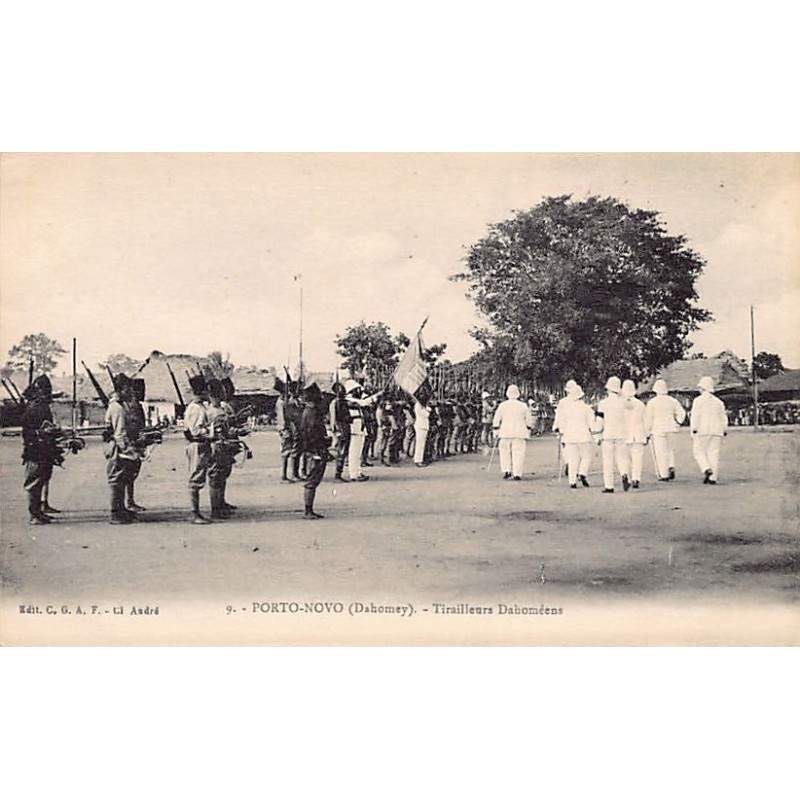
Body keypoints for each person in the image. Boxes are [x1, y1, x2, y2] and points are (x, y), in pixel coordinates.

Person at [21, 376, 61, 525]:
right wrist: (44, 432)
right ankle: (34, 514)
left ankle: (39, 511)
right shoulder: (33, 409)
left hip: (45, 449)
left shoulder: (42, 407)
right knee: (34, 483)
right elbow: (30, 431)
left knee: (42, 479)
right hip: (35, 449)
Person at [104, 373, 141, 524]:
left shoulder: (118, 405)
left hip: (119, 446)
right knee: (117, 480)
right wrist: (130, 451)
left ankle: (121, 509)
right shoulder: (117, 408)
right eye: (128, 389)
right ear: (122, 389)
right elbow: (119, 434)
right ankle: (115, 513)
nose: (130, 392)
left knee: (123, 478)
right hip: (118, 448)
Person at [552, 380, 594, 488]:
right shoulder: (586, 407)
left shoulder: (565, 406)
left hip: (569, 435)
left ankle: (572, 481)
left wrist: (558, 429)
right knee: (586, 456)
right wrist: (595, 432)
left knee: (572, 458)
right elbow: (592, 423)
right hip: (584, 435)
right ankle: (582, 473)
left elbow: (560, 419)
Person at [643, 379, 686, 481]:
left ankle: (663, 474)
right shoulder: (673, 401)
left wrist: (647, 431)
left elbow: (648, 418)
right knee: (670, 449)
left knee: (660, 452)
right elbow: (682, 413)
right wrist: (678, 422)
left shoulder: (652, 402)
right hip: (671, 427)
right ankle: (671, 465)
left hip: (657, 429)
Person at [184, 374, 213, 524]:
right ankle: (194, 513)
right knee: (196, 478)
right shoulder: (196, 409)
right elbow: (196, 430)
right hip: (198, 444)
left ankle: (196, 512)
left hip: (201, 444)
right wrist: (212, 432)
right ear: (201, 391)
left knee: (199, 476)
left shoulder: (200, 407)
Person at [298, 383, 330, 519]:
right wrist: (317, 449)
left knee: (313, 480)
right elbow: (310, 434)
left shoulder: (311, 411)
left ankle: (309, 509)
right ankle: (308, 510)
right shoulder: (311, 413)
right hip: (314, 450)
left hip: (314, 449)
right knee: (312, 481)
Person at [690, 376, 728, 484]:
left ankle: (706, 468)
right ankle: (713, 477)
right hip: (717, 430)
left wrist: (694, 428)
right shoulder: (718, 402)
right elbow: (723, 417)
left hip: (702, 429)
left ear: (703, 388)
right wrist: (724, 429)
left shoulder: (698, 400)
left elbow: (695, 416)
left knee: (698, 451)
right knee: (713, 453)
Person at [206, 379, 235, 519]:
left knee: (223, 476)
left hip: (225, 445)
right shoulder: (209, 412)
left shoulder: (222, 408)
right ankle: (215, 509)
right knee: (215, 478)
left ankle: (221, 503)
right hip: (215, 446)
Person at [596, 376, 630, 493]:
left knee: (608, 461)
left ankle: (609, 486)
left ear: (608, 389)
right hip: (622, 434)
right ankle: (624, 474)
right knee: (622, 457)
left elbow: (599, 422)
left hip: (608, 434)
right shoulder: (624, 403)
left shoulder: (603, 403)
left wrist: (596, 433)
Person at [492, 384, 533, 480]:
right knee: (518, 452)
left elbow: (497, 418)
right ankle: (517, 473)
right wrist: (529, 428)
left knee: (504, 452)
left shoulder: (502, 405)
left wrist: (496, 429)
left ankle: (507, 470)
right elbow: (529, 420)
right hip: (520, 432)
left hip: (505, 431)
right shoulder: (523, 406)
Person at [345, 380, 381, 482]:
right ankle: (354, 474)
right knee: (354, 453)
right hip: (354, 430)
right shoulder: (348, 400)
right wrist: (377, 395)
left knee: (358, 453)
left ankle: (358, 472)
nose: (359, 391)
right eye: (356, 389)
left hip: (360, 429)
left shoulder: (354, 400)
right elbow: (363, 402)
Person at [123, 377, 148, 513]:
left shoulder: (138, 406)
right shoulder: (129, 406)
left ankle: (130, 501)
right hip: (131, 443)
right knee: (128, 474)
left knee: (133, 474)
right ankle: (128, 502)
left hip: (138, 442)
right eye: (139, 390)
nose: (142, 393)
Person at [621, 379, 647, 489]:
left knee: (625, 458)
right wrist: (647, 433)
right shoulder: (640, 405)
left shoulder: (620, 404)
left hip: (624, 434)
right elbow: (646, 420)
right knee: (637, 458)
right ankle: (636, 478)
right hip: (638, 434)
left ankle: (626, 474)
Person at [328, 382, 351, 482]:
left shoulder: (342, 402)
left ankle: (339, 472)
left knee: (343, 451)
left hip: (345, 428)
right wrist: (336, 430)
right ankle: (337, 474)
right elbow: (334, 418)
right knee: (340, 452)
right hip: (340, 428)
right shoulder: (335, 403)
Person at [413, 397, 430, 467]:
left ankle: (420, 459)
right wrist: (427, 409)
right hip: (421, 425)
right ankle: (418, 460)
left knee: (422, 444)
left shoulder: (421, 405)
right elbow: (426, 414)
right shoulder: (419, 405)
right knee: (420, 444)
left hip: (423, 426)